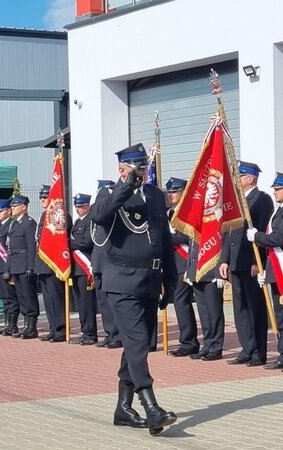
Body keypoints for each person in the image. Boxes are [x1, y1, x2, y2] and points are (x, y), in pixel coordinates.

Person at [90, 143, 177, 434]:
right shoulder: (109, 194)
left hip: (150, 279)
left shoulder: (155, 195)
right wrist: (126, 186)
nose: (141, 171)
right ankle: (151, 407)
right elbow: (99, 216)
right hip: (122, 280)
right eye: (136, 167)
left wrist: (171, 280)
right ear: (121, 168)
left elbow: (163, 238)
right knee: (137, 341)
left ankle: (123, 409)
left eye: (143, 166)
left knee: (138, 345)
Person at [248, 172, 283, 372]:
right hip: (275, 268)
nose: (275, 192)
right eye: (275, 189)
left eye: (278, 189)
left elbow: (281, 238)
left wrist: (257, 237)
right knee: (280, 315)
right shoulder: (279, 211)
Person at [219, 161, 274, 367]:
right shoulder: (236, 201)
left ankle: (259, 351)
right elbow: (228, 232)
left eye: (240, 176)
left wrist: (257, 261)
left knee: (255, 307)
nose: (237, 179)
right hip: (235, 261)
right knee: (240, 308)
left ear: (250, 178)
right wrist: (224, 259)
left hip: (251, 262)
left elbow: (261, 230)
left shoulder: (262, 199)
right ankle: (246, 348)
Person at [165, 177, 200, 357]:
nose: (171, 195)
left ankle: (189, 342)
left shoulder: (189, 211)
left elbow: (190, 236)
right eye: (169, 192)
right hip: (172, 264)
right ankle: (188, 340)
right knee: (179, 302)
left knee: (182, 302)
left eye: (175, 191)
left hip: (186, 261)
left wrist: (166, 238)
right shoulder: (168, 212)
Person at [36, 185, 69, 343]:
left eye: (45, 197)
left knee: (56, 298)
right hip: (43, 263)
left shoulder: (60, 215)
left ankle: (60, 329)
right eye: (41, 197)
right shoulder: (44, 215)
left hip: (54, 264)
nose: (42, 200)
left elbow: (61, 240)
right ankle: (53, 328)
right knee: (48, 299)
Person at [91, 179, 122, 349]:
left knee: (113, 302)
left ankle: (117, 335)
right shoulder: (95, 216)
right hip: (98, 262)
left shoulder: (112, 214)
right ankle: (110, 333)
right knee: (103, 302)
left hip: (109, 262)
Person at [186, 241, 225, 361]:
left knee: (215, 312)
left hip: (211, 273)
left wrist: (218, 273)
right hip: (197, 272)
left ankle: (216, 347)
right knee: (204, 313)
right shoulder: (196, 228)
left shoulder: (216, 228)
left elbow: (220, 247)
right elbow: (192, 246)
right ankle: (207, 344)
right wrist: (190, 270)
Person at [7, 195, 39, 339]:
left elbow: (32, 248)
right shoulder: (14, 224)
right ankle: (26, 325)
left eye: (15, 206)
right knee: (21, 296)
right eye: (12, 206)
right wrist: (9, 268)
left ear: (24, 207)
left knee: (28, 295)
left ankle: (31, 327)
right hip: (16, 264)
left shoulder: (29, 223)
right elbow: (10, 248)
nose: (12, 208)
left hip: (25, 264)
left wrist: (31, 267)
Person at [69, 193, 98, 345]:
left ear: (87, 206)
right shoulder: (77, 222)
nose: (78, 209)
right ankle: (84, 331)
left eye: (81, 206)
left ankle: (90, 333)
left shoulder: (90, 221)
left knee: (87, 302)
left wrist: (68, 243)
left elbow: (87, 241)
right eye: (76, 207)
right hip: (76, 268)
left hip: (85, 267)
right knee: (80, 302)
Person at [0, 200, 18, 335]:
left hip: (4, 265)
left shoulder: (11, 225)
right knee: (3, 297)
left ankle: (11, 325)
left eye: (1, 211)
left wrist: (9, 268)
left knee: (9, 297)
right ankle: (7, 324)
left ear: (8, 211)